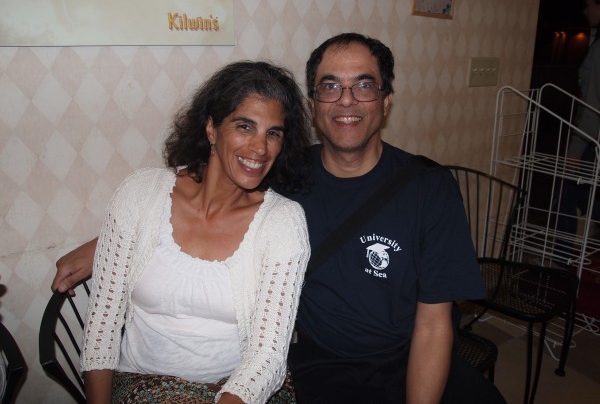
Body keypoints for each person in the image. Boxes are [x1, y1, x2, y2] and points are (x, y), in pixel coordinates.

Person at [53, 34, 505, 403]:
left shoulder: (428, 188)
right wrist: (107, 245)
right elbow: (200, 192)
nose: (346, 100)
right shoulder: (283, 173)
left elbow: (434, 324)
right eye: (330, 86)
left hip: (404, 359)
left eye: (364, 85)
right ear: (313, 103)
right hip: (317, 366)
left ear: (386, 101)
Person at [79, 61, 312, 404]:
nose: (261, 148)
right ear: (212, 129)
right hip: (141, 386)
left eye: (273, 133)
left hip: (239, 391)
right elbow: (102, 326)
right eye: (245, 126)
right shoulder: (140, 194)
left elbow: (267, 358)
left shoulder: (282, 222)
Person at [557, 0, 600, 249]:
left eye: (589, 5)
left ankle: (560, 257)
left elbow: (593, 106)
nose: (586, 11)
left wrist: (574, 148)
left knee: (567, 192)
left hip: (592, 140)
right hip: (594, 139)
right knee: (582, 193)